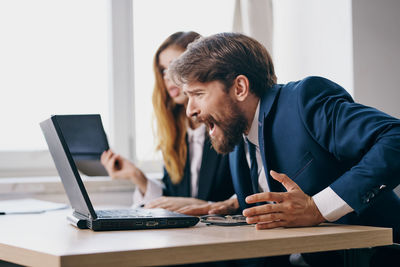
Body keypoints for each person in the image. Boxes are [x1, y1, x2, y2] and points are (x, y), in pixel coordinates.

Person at [168, 32, 400, 266]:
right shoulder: (239, 139)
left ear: (239, 87)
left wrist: (318, 208)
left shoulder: (303, 101)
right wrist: (232, 203)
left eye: (198, 94)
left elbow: (395, 138)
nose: (190, 110)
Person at [101, 31, 236, 213]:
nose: (167, 77)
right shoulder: (177, 133)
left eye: (175, 66)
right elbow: (172, 200)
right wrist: (136, 176)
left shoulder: (227, 125)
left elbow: (247, 194)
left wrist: (203, 205)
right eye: (163, 70)